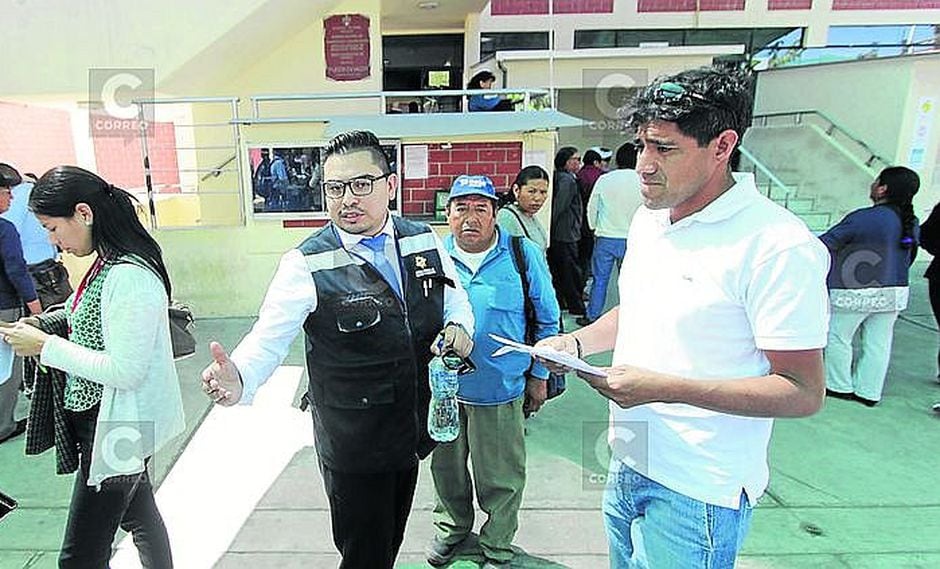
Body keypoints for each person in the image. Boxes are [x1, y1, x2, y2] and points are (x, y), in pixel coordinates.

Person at [536, 66, 830, 567]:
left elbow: (802, 391)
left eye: (664, 149)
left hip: (699, 486)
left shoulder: (776, 246)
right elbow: (641, 309)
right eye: (641, 146)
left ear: (722, 146)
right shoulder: (650, 219)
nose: (644, 166)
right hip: (629, 454)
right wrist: (577, 343)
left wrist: (664, 388)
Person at [200, 130, 475, 569]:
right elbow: (269, 336)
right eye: (334, 188)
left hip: (410, 428)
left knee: (389, 539)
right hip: (354, 441)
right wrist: (240, 375)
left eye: (361, 184)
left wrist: (460, 326)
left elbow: (454, 299)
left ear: (390, 185)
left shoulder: (423, 239)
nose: (347, 199)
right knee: (363, 552)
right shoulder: (306, 263)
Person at [0, 166, 185, 568]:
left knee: (79, 558)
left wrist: (45, 346)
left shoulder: (129, 275)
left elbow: (126, 370)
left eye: (52, 228)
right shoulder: (107, 264)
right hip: (108, 421)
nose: (53, 241)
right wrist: (42, 324)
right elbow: (78, 309)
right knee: (139, 517)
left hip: (118, 427)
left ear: (83, 213)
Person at [427, 176, 559, 568]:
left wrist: (539, 377)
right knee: (446, 472)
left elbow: (548, 319)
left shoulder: (521, 253)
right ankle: (452, 530)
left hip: (501, 389)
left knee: (501, 477)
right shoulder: (433, 257)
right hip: (445, 392)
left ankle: (497, 545)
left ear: (495, 213)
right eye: (461, 208)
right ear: (448, 214)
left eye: (480, 208)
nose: (470, 217)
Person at [820, 166, 920, 407]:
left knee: (838, 336)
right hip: (894, 291)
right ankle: (869, 391)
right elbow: (911, 255)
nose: (873, 184)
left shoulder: (863, 218)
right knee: (878, 343)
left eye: (877, 181)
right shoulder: (910, 222)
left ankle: (838, 385)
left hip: (854, 290)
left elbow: (825, 244)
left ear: (883, 188)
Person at [578, 142, 642, 327]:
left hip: (606, 236)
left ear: (617, 160)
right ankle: (629, 317)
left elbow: (592, 206)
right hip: (633, 238)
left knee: (600, 280)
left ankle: (592, 316)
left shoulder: (605, 179)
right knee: (630, 281)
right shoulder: (642, 180)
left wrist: (593, 227)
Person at [0, 175, 41, 446]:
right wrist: (34, 304)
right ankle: (4, 426)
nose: (12, 197)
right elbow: (16, 269)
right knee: (7, 368)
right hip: (4, 307)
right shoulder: (4, 229)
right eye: (7, 192)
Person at [0, 163, 73, 309]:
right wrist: (35, 307)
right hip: (35, 277)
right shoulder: (27, 193)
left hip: (35, 277)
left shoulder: (22, 194)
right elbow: (15, 265)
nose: (11, 197)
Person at [548, 147, 585, 316]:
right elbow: (559, 206)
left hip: (562, 232)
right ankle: (575, 305)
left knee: (561, 270)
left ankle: (564, 302)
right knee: (570, 272)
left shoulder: (564, 178)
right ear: (566, 161)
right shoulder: (567, 180)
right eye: (576, 159)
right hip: (565, 233)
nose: (579, 163)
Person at [576, 147, 611, 285]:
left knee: (579, 256)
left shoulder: (578, 175)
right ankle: (585, 283)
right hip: (594, 223)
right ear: (596, 162)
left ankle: (579, 283)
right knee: (589, 257)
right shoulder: (601, 177)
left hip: (578, 222)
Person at [496, 166, 550, 253]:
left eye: (543, 192)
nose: (538, 198)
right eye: (531, 191)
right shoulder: (506, 217)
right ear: (516, 190)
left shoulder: (530, 215)